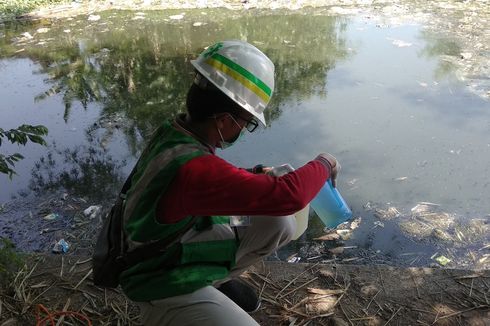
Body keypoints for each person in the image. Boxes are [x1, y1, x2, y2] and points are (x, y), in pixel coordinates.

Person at [119, 40, 340, 326]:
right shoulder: (194, 169)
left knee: (278, 222)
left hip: (167, 238)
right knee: (280, 212)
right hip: (156, 277)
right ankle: (168, 309)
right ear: (224, 121)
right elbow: (291, 195)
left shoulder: (175, 132)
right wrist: (326, 162)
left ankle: (214, 281)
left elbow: (213, 180)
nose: (244, 130)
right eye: (246, 122)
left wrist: (258, 172)